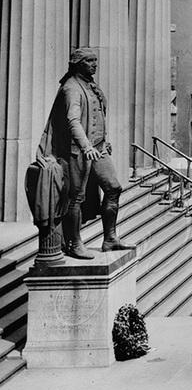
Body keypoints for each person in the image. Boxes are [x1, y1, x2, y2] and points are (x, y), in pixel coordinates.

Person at [40, 48, 131, 258]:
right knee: (76, 197)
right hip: (78, 151)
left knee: (114, 188)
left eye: (95, 60)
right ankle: (74, 243)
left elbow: (98, 117)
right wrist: (86, 147)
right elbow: (73, 121)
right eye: (89, 61)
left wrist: (104, 141)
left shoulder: (90, 85)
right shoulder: (71, 88)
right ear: (78, 63)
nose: (94, 64)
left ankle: (110, 239)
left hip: (98, 148)